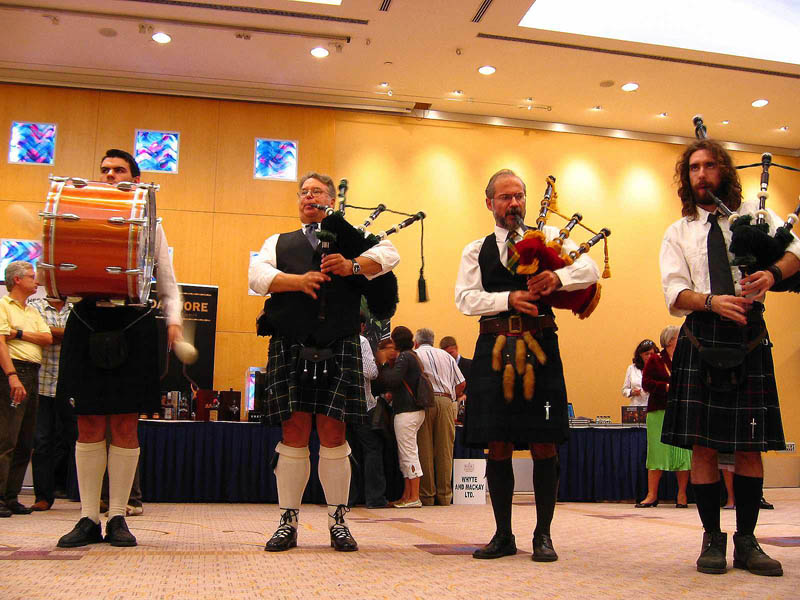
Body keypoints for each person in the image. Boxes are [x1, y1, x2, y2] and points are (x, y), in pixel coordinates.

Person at [659, 138, 800, 576]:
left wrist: (772, 274)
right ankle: (712, 540)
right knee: (702, 446)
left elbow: (797, 249)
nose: (701, 174)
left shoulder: (754, 219)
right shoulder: (678, 231)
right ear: (688, 177)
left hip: (749, 336)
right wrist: (711, 301)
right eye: (694, 168)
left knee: (749, 445)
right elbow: (673, 293)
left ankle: (747, 540)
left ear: (723, 171)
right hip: (702, 335)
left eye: (709, 166)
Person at [249, 172, 399, 552]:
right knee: (293, 436)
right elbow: (257, 276)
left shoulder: (350, 240)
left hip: (340, 343)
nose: (308, 197)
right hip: (291, 345)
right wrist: (297, 281)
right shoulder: (278, 242)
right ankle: (288, 521)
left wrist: (352, 265)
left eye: (316, 191)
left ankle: (338, 521)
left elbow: (390, 254)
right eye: (303, 192)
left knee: (334, 437)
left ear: (331, 200)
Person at [455, 168, 599, 562]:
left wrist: (557, 276)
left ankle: (543, 536)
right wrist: (507, 299)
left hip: (541, 346)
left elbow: (589, 269)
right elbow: (465, 299)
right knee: (497, 443)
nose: (514, 203)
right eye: (505, 197)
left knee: (543, 440)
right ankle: (503, 535)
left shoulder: (549, 237)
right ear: (490, 204)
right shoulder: (476, 249)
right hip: (494, 347)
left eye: (519, 195)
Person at [57, 149, 183, 548]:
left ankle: (117, 518)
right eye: (105, 170)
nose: (110, 175)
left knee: (126, 425)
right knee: (89, 423)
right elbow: (55, 274)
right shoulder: (75, 218)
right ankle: (86, 518)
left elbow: (168, 280)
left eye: (119, 170)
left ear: (135, 178)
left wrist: (175, 320)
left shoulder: (150, 224)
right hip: (86, 321)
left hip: (133, 324)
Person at [0, 261, 53, 517]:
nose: (37, 281)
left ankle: (11, 496)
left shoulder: (32, 311)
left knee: (25, 439)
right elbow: (0, 341)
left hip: (33, 374)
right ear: (17, 280)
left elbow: (47, 338)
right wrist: (11, 375)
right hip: (13, 372)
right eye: (32, 277)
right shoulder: (2, 305)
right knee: (6, 438)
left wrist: (18, 333)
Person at [28, 296, 76, 511]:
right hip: (43, 385)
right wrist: (59, 335)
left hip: (71, 386)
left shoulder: (76, 309)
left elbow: (77, 337)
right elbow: (38, 336)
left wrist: (48, 334)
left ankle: (87, 495)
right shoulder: (34, 306)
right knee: (42, 442)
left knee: (82, 441)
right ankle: (43, 496)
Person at [638, 325, 691, 508]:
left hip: (681, 411)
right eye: (679, 337)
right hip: (658, 411)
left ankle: (682, 495)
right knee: (656, 453)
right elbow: (646, 384)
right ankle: (652, 494)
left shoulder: (685, 359)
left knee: (682, 453)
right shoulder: (655, 360)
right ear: (670, 341)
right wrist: (666, 387)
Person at [374, 326, 426, 508]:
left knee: (409, 453)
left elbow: (392, 380)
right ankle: (407, 495)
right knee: (405, 454)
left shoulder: (404, 357)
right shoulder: (412, 356)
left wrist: (382, 364)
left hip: (407, 411)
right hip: (410, 410)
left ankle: (414, 496)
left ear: (397, 341)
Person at [413, 328, 465, 506]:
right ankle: (444, 496)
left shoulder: (414, 354)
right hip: (446, 401)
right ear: (433, 341)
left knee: (424, 448)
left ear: (416, 342)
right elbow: (462, 382)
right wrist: (450, 395)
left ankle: (427, 496)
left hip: (424, 402)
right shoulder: (447, 356)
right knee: (445, 450)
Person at [347, 317, 388, 509]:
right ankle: (374, 498)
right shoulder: (361, 341)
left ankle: (349, 497)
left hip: (340, 407)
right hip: (362, 405)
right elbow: (372, 372)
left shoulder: (334, 341)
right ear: (363, 326)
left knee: (347, 452)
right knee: (372, 450)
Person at [439, 335, 471, 423]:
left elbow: (474, 384)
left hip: (465, 405)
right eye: (445, 354)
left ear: (456, 348)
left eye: (450, 353)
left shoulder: (470, 364)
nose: (448, 357)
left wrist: (466, 395)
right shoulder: (441, 368)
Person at [622, 339, 656, 407]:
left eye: (651, 354)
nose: (649, 356)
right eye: (646, 354)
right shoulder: (631, 368)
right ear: (640, 355)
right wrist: (631, 392)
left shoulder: (659, 368)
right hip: (636, 408)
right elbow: (624, 390)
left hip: (653, 407)